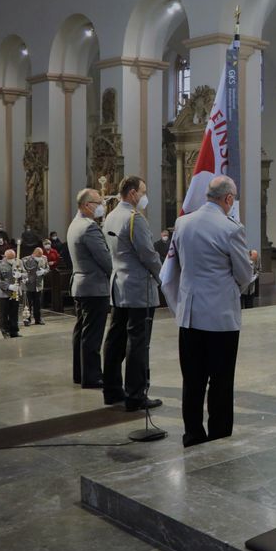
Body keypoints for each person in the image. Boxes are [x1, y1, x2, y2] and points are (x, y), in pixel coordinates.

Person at [162, 175, 256, 447]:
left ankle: (192, 433)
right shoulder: (231, 229)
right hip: (220, 318)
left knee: (192, 380)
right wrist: (251, 263)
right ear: (228, 198)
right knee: (221, 380)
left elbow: (177, 265)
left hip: (190, 314)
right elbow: (243, 274)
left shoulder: (183, 223)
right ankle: (219, 433)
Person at [102, 176, 163, 411]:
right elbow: (147, 254)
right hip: (138, 288)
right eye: (143, 191)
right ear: (133, 193)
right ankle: (136, 395)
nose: (145, 196)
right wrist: (163, 277)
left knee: (115, 340)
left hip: (119, 285)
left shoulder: (111, 216)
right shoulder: (134, 218)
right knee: (138, 343)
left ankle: (112, 390)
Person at [67, 188, 111, 389]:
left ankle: (80, 373)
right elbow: (104, 258)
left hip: (80, 284)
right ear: (86, 205)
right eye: (98, 203)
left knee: (81, 332)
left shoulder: (74, 224)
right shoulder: (89, 227)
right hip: (94, 286)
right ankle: (92, 376)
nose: (102, 206)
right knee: (93, 334)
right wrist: (116, 274)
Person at [0, 249, 22, 338]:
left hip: (15, 292)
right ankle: (5, 331)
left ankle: (14, 331)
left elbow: (25, 273)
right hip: (4, 293)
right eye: (10, 258)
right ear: (5, 257)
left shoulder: (18, 262)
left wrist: (21, 275)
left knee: (14, 313)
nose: (12, 260)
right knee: (4, 314)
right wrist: (8, 286)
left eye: (13, 258)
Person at [22, 247, 49, 326]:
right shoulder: (25, 259)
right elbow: (22, 270)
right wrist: (24, 277)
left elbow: (47, 268)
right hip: (28, 284)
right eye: (38, 255)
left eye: (41, 255)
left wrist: (44, 271)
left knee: (38, 304)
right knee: (27, 304)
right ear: (34, 253)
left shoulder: (44, 258)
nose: (40, 256)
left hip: (39, 285)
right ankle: (27, 319)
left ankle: (38, 319)